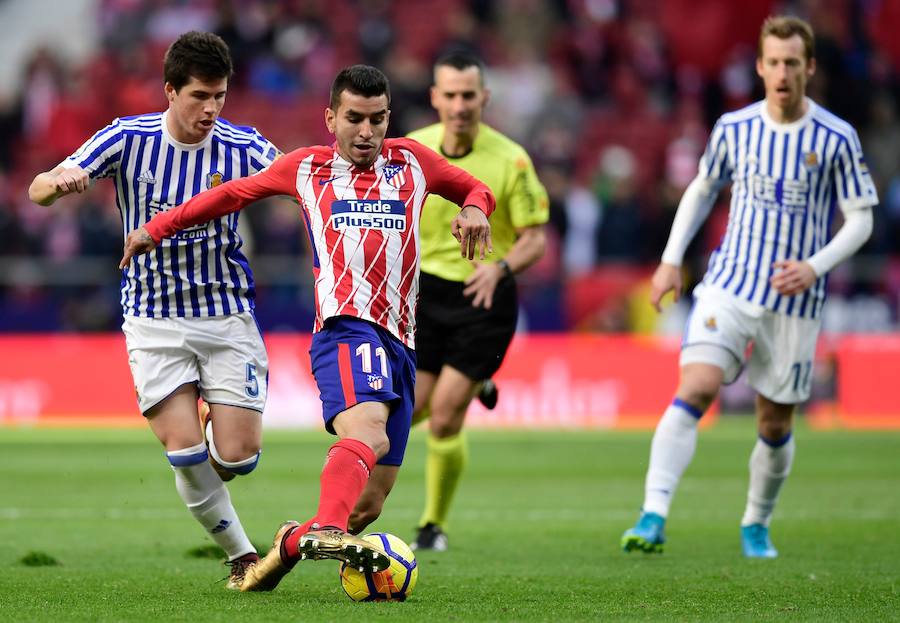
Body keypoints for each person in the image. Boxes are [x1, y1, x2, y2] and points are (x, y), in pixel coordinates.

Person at [118, 64, 495, 591]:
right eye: (355, 119)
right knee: (366, 432)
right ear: (330, 118)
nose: (367, 132)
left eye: (378, 119)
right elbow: (229, 196)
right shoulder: (305, 168)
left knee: (367, 506)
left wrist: (476, 208)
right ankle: (325, 526)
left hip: (403, 342)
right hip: (346, 329)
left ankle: (292, 543)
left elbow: (474, 187)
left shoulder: (412, 160)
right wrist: (156, 228)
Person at [28, 31, 283, 589]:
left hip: (225, 314)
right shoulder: (128, 138)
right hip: (152, 319)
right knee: (186, 451)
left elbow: (301, 179)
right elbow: (38, 190)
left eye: (220, 96)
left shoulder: (242, 146)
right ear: (170, 91)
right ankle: (243, 559)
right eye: (199, 96)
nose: (211, 109)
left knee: (237, 458)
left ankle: (215, 435)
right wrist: (58, 181)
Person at [621, 15, 877, 558]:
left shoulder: (835, 137)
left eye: (792, 63)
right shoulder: (735, 128)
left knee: (774, 421)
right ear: (759, 67)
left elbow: (861, 219)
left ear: (809, 68)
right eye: (773, 62)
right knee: (695, 388)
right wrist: (670, 261)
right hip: (731, 283)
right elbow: (701, 189)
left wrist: (815, 264)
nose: (782, 72)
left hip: (797, 300)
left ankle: (756, 523)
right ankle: (652, 514)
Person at [407, 52, 548, 551]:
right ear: (435, 98)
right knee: (412, 409)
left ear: (484, 98)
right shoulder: (413, 151)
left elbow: (535, 238)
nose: (460, 105)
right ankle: (476, 381)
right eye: (450, 95)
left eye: (469, 95)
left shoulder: (511, 159)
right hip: (424, 295)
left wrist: (501, 266)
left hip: (484, 294)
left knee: (444, 415)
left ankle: (431, 526)